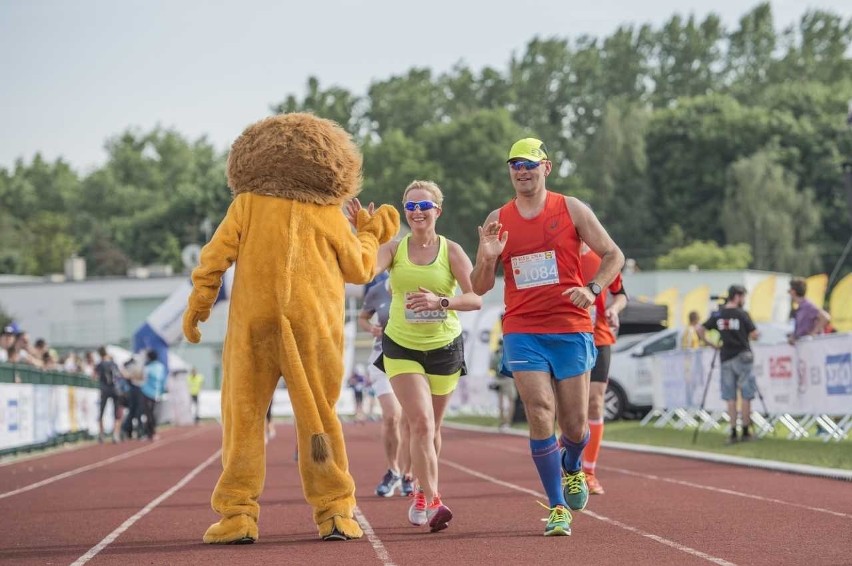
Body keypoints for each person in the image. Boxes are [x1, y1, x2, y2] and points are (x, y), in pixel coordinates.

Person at [470, 138, 624, 537]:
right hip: (523, 329)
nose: (522, 171)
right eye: (514, 164)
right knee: (539, 410)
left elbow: (613, 255)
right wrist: (487, 256)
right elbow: (480, 285)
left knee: (574, 427)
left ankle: (573, 465)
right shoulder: (498, 217)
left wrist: (592, 290)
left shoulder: (570, 207)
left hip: (570, 328)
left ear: (546, 167)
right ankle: (557, 506)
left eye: (529, 164)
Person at [348, 179, 482, 533]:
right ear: (405, 211)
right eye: (411, 207)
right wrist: (364, 232)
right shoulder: (393, 249)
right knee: (420, 423)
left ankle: (421, 490)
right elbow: (361, 269)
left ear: (438, 211)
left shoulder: (451, 251)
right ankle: (435, 500)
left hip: (444, 347)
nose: (417, 212)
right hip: (402, 346)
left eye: (424, 206)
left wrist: (441, 302)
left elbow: (475, 298)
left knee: (433, 428)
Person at [359, 274, 414, 497]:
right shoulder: (377, 289)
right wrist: (371, 328)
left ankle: (409, 474)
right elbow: (363, 317)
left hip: (412, 358)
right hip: (382, 358)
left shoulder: (415, 283)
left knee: (412, 420)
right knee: (392, 417)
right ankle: (393, 470)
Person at [579, 243, 628, 496]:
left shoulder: (605, 258)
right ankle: (570, 468)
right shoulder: (556, 253)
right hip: (567, 335)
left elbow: (620, 293)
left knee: (595, 401)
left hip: (599, 336)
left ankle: (588, 472)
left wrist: (613, 309)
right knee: (570, 406)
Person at [697, 285, 760, 444]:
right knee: (746, 395)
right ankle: (746, 431)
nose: (744, 300)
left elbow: (699, 328)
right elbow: (754, 334)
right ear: (738, 296)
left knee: (730, 397)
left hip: (726, 357)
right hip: (743, 355)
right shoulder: (742, 314)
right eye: (743, 297)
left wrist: (710, 343)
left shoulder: (718, 314)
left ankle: (732, 432)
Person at [787, 277, 830, 344]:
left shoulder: (807, 306)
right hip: (804, 345)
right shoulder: (800, 308)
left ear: (793, 292)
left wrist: (812, 334)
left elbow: (825, 317)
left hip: (812, 346)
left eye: (789, 291)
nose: (789, 294)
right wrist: (793, 336)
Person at [95, 346, 124, 443]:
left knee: (101, 411)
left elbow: (95, 376)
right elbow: (119, 376)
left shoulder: (99, 365)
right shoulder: (113, 364)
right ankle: (115, 434)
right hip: (115, 390)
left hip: (104, 390)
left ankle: (101, 434)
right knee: (117, 412)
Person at [140, 350, 167, 441]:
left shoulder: (147, 368)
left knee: (149, 414)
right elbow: (163, 380)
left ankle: (150, 433)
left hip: (147, 392)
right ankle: (151, 433)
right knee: (152, 414)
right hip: (157, 393)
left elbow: (143, 379)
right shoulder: (161, 367)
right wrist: (162, 391)